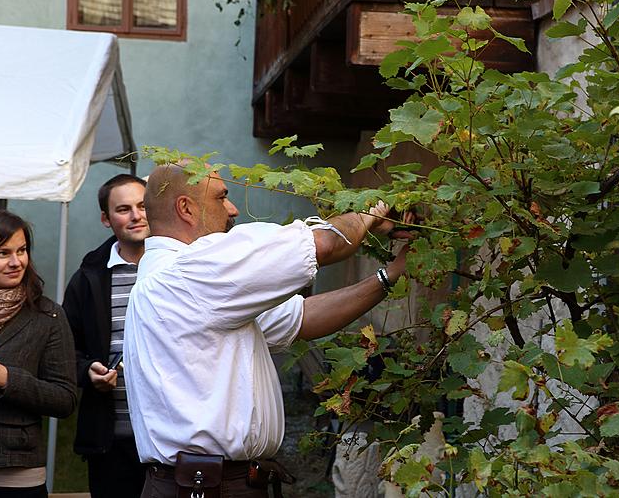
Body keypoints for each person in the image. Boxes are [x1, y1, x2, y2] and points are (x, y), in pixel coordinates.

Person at [124, 164, 411, 498]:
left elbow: (301, 317)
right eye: (222, 197)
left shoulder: (190, 283)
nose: (232, 210)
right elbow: (326, 244)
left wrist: (390, 275)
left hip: (213, 484)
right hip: (207, 488)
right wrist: (373, 213)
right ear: (186, 208)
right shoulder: (190, 273)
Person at [62, 174, 150, 498]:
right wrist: (87, 371)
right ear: (106, 219)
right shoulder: (89, 277)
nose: (136, 216)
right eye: (124, 209)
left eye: (142, 206)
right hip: (110, 437)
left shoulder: (175, 268)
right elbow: (65, 349)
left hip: (168, 436)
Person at [0, 209, 77, 498]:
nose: (17, 262)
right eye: (3, 253)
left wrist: (6, 378)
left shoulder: (46, 315)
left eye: (22, 250)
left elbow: (64, 399)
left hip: (14, 475)